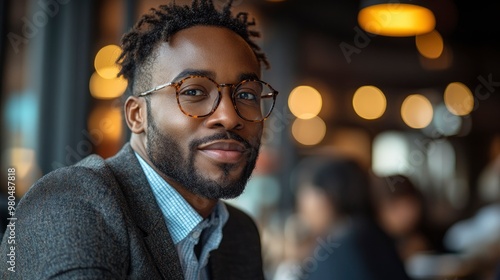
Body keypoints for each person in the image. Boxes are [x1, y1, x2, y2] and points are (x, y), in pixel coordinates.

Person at [0, 0, 278, 279]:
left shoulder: (238, 233)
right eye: (194, 92)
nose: (229, 117)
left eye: (246, 95)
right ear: (137, 115)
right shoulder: (73, 205)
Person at [294, 155, 410, 280]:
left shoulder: (340, 244)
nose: (301, 204)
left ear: (327, 196)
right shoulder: (369, 231)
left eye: (307, 192)